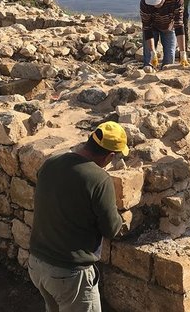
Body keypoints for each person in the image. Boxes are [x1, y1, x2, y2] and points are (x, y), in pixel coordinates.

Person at [28, 121, 128, 312]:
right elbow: (111, 228)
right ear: (110, 156)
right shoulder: (99, 179)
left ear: (89, 141)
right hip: (68, 274)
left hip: (37, 264)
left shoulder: (51, 163)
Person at [140, 0, 189, 69]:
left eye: (158, 1)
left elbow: (179, 26)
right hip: (152, 29)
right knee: (149, 60)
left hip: (169, 28)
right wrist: (152, 52)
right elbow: (147, 28)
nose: (155, 5)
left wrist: (183, 52)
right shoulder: (145, 3)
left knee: (170, 60)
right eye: (153, 2)